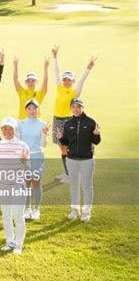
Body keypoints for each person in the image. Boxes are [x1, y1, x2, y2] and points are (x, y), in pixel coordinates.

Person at [51, 45, 96, 183]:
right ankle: (68, 173)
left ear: (73, 81)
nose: (66, 81)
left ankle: (72, 174)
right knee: (62, 149)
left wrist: (88, 67)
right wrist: (55, 57)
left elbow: (82, 80)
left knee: (67, 148)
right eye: (65, 79)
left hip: (66, 121)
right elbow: (56, 73)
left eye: (69, 79)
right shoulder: (59, 88)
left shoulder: (74, 91)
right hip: (56, 120)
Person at [57, 98, 101, 222]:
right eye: (73, 107)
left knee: (87, 186)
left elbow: (96, 142)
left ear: (83, 107)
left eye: (78, 107)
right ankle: (75, 210)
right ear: (70, 108)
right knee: (74, 186)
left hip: (87, 159)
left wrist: (97, 134)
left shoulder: (91, 122)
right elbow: (66, 142)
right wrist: (61, 138)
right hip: (71, 160)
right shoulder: (68, 123)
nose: (76, 109)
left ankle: (86, 212)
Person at [0, 116, 30, 255]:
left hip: (18, 185)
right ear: (1, 130)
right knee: (6, 216)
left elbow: (29, 171)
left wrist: (25, 161)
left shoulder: (22, 146)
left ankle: (19, 244)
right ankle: (9, 241)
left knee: (18, 216)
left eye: (10, 129)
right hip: (2, 186)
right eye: (5, 128)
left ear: (15, 130)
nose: (8, 131)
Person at [17, 99, 50, 220]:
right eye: (29, 108)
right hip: (25, 157)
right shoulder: (20, 124)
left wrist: (45, 134)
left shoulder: (43, 124)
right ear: (26, 110)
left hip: (37, 156)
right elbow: (18, 141)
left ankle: (36, 209)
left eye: (34, 108)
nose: (32, 111)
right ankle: (27, 208)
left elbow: (44, 144)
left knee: (36, 182)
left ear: (38, 109)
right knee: (25, 183)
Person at [13, 56, 49, 120]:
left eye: (33, 81)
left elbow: (45, 81)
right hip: (22, 121)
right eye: (28, 81)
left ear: (36, 82)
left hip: (35, 121)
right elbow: (15, 79)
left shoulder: (40, 93)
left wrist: (45, 67)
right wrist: (15, 66)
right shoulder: (22, 91)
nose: (31, 83)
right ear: (25, 82)